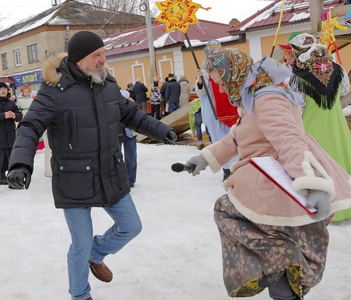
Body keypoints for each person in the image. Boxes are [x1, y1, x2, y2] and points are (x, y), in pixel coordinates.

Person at [6, 31, 177, 300]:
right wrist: (20, 163)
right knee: (80, 243)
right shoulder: (54, 92)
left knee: (131, 226)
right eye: (97, 55)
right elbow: (30, 127)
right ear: (79, 59)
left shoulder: (107, 83)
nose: (103, 59)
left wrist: (161, 129)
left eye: (103, 53)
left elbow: (130, 113)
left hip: (109, 172)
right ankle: (80, 294)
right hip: (73, 179)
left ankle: (97, 254)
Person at [181, 48, 351, 299]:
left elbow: (289, 140)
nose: (220, 89)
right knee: (273, 237)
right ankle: (281, 273)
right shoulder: (253, 92)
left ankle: (283, 272)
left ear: (233, 72)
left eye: (220, 82)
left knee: (237, 217)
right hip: (269, 176)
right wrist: (205, 158)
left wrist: (312, 185)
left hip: (279, 180)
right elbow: (238, 136)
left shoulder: (267, 97)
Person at [287, 32, 351, 223]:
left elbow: (297, 105)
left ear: (299, 51)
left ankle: (329, 208)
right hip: (336, 124)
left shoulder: (296, 78)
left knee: (320, 164)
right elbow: (344, 90)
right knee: (341, 159)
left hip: (312, 126)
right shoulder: (337, 69)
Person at [193, 40, 240, 181]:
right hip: (214, 111)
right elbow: (200, 92)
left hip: (228, 107)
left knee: (233, 139)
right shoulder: (205, 69)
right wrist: (200, 80)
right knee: (220, 141)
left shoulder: (224, 64)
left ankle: (237, 167)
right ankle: (227, 170)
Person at [0, 82, 23, 185]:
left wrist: (14, 115)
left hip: (10, 137)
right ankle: (1, 176)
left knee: (12, 158)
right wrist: (4, 115)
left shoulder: (11, 103)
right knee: (1, 159)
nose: (3, 90)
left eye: (5, 88)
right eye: (1, 88)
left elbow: (20, 115)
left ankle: (12, 177)